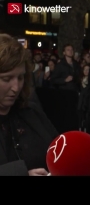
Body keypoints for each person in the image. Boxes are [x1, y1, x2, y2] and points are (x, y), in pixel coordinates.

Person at [0, 34, 59, 176]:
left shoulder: (31, 112)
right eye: (6, 79)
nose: (16, 87)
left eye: (20, 77)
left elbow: (58, 150)